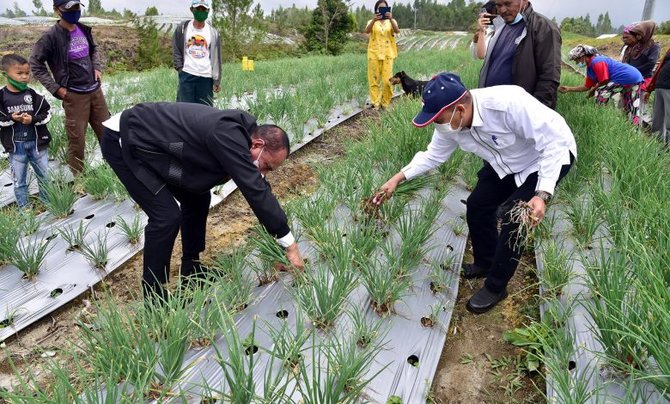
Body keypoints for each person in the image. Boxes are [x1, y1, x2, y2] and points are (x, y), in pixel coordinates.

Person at [374, 73, 576, 314]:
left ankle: (496, 286)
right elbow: (433, 155)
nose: (438, 125)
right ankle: (485, 261)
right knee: (478, 204)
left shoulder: (508, 104)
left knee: (514, 216)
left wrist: (541, 194)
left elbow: (555, 142)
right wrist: (397, 178)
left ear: (460, 109)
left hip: (545, 158)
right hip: (506, 163)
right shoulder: (450, 125)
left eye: (439, 119)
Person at [100, 102, 305, 301]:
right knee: (166, 216)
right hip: (126, 139)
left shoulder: (242, 138)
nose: (263, 173)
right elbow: (254, 190)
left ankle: (191, 269)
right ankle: (155, 298)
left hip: (157, 145)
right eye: (266, 166)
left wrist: (277, 244)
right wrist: (289, 243)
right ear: (258, 144)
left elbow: (259, 190)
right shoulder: (227, 135)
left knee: (198, 197)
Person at [30, 0, 110, 175]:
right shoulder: (50, 37)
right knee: (77, 139)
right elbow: (36, 64)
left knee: (107, 132)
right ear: (57, 10)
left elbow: (93, 50)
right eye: (69, 8)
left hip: (95, 91)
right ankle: (79, 177)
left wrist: (96, 67)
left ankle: (113, 167)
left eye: (76, 7)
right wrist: (56, 88)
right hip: (74, 95)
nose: (74, 11)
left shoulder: (83, 29)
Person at [478, 0, 561, 109]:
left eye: (508, 4)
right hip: (492, 108)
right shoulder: (501, 27)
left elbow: (549, 78)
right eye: (499, 5)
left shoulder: (543, 27)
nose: (502, 10)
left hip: (518, 113)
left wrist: (537, 115)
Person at [0, 54, 51, 209]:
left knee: (44, 177)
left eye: (27, 73)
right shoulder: (1, 98)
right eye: (19, 73)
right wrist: (11, 118)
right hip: (16, 148)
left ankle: (49, 204)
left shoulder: (34, 96)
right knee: (19, 181)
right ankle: (25, 209)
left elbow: (48, 114)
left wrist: (33, 119)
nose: (24, 77)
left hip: (37, 145)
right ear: (5, 74)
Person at [560, 45, 644, 125]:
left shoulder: (597, 61)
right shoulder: (590, 69)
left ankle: (599, 117)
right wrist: (568, 89)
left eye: (577, 60)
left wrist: (593, 90)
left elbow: (604, 80)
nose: (576, 62)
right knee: (630, 104)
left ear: (583, 56)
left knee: (601, 92)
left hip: (628, 77)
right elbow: (586, 87)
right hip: (632, 79)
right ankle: (631, 128)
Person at [172, 0, 222, 106]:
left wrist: (216, 80)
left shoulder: (213, 32)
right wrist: (180, 69)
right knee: (184, 111)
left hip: (206, 77)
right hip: (187, 75)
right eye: (198, 9)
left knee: (205, 112)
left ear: (208, 11)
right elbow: (176, 49)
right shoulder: (182, 28)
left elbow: (217, 58)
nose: (200, 11)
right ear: (192, 10)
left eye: (203, 9)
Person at [364, 0, 400, 110]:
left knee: (387, 80)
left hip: (388, 54)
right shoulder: (372, 21)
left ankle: (385, 102)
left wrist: (391, 19)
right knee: (374, 79)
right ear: (376, 10)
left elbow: (397, 31)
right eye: (379, 8)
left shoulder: (392, 21)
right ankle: (375, 103)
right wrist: (374, 20)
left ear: (388, 9)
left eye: (384, 8)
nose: (382, 10)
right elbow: (366, 31)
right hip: (374, 53)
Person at [621, 21, 660, 86]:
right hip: (631, 77)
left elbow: (651, 63)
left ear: (647, 32)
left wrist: (634, 70)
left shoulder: (654, 46)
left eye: (640, 33)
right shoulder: (636, 45)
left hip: (643, 79)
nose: (638, 36)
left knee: (639, 96)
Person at [644, 47, 670, 144]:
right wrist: (649, 89)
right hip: (660, 86)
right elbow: (660, 68)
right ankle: (658, 147)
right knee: (658, 119)